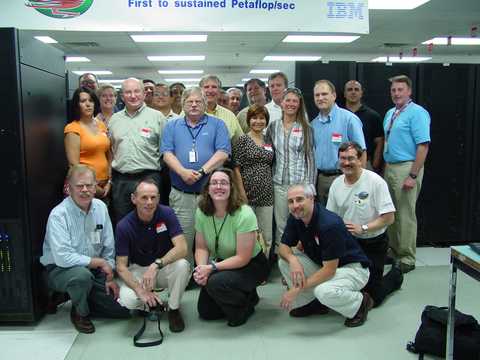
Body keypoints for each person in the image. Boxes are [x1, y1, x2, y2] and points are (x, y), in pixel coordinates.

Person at [40, 165, 130, 334]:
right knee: (81, 277)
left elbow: (109, 248)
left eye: (89, 185)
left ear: (96, 186)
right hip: (60, 269)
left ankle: (74, 294)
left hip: (94, 270)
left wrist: (108, 275)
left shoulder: (101, 208)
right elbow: (63, 258)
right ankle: (80, 312)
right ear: (69, 187)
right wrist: (99, 262)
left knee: (122, 311)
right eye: (79, 186)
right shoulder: (59, 215)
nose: (85, 190)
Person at [278, 184, 372, 327]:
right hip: (324, 264)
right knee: (283, 262)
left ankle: (360, 303)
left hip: (353, 269)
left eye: (299, 199)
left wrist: (296, 289)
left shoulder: (328, 224)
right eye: (291, 201)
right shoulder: (296, 217)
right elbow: (283, 246)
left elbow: (329, 270)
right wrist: (292, 260)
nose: (295, 205)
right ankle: (316, 304)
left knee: (323, 291)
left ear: (311, 199)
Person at [327, 142, 403, 307]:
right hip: (349, 243)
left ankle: (395, 276)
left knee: (372, 298)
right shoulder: (336, 184)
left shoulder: (375, 182)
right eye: (342, 159)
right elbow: (331, 217)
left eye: (351, 158)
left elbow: (389, 217)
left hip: (373, 242)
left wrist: (364, 228)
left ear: (360, 159)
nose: (346, 163)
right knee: (349, 287)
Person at [161, 86, 231, 267]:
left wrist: (202, 171)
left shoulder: (217, 124)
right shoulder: (172, 126)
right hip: (181, 194)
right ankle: (186, 276)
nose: (193, 105)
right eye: (189, 101)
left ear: (205, 103)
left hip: (211, 195)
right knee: (183, 241)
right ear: (183, 104)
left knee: (213, 238)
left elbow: (223, 152)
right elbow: (167, 153)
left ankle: (210, 275)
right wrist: (183, 172)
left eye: (198, 101)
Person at [193, 168, 269, 326]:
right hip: (224, 262)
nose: (218, 187)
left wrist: (212, 268)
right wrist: (202, 268)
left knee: (215, 284)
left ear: (231, 188)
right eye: (214, 183)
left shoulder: (244, 213)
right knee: (206, 312)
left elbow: (243, 257)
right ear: (208, 189)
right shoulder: (201, 212)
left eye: (224, 183)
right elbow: (201, 247)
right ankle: (245, 294)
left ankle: (245, 306)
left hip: (251, 265)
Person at [115, 178, 190, 332]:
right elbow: (121, 267)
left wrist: (156, 265)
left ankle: (173, 309)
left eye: (153, 197)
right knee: (127, 299)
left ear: (158, 198)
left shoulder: (167, 213)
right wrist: (140, 290)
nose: (149, 202)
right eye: (144, 197)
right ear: (134, 199)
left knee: (183, 265)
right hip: (139, 271)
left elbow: (182, 248)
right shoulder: (123, 226)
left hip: (162, 268)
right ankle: (151, 304)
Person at [383, 75, 431, 274]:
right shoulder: (391, 113)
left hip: (407, 167)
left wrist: (412, 175)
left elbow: (423, 146)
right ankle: (394, 252)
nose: (396, 93)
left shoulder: (417, 113)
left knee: (405, 214)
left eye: (400, 90)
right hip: (390, 166)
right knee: (390, 213)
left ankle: (407, 257)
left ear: (409, 91)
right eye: (393, 90)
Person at [109, 78, 166, 222]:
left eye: (136, 91)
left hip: (149, 177)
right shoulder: (114, 119)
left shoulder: (157, 117)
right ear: (122, 96)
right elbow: (111, 149)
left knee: (152, 220)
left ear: (144, 94)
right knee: (122, 221)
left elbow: (165, 151)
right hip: (122, 180)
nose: (133, 96)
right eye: (128, 92)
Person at [265, 87, 316, 251]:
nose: (291, 104)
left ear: (299, 104)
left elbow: (311, 159)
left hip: (299, 185)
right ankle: (284, 264)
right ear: (281, 103)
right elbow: (268, 154)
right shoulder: (273, 127)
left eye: (295, 101)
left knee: (301, 223)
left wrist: (311, 187)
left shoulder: (306, 128)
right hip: (278, 184)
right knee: (281, 226)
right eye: (288, 100)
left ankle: (301, 262)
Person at [311, 79, 367, 204]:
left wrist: (360, 182)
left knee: (345, 219)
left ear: (334, 96)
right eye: (317, 95)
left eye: (324, 94)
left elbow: (361, 152)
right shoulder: (313, 124)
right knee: (325, 219)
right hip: (321, 180)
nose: (320, 98)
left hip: (345, 176)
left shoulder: (349, 119)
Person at [233, 105, 274, 258]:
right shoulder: (243, 140)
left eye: (262, 118)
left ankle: (263, 268)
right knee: (249, 234)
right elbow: (236, 168)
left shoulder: (269, 140)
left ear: (266, 120)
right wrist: (242, 192)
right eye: (254, 118)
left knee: (266, 235)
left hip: (267, 194)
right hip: (247, 194)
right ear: (249, 120)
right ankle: (248, 266)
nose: (258, 121)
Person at [64, 87, 111, 200]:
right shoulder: (73, 128)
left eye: (91, 100)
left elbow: (108, 155)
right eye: (83, 101)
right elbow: (74, 166)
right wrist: (93, 187)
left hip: (105, 184)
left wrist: (109, 181)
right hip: (84, 187)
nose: (88, 104)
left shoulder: (101, 125)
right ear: (77, 105)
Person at [344, 80, 384, 172]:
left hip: (365, 163)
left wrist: (375, 164)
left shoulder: (373, 116)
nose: (353, 92)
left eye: (356, 89)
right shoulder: (338, 116)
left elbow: (379, 141)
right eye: (350, 89)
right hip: (343, 164)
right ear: (345, 94)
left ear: (361, 93)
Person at [199, 74, 243, 142]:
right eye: (206, 87)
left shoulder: (230, 116)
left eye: (214, 87)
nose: (210, 91)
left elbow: (242, 142)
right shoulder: (189, 112)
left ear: (219, 91)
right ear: (200, 90)